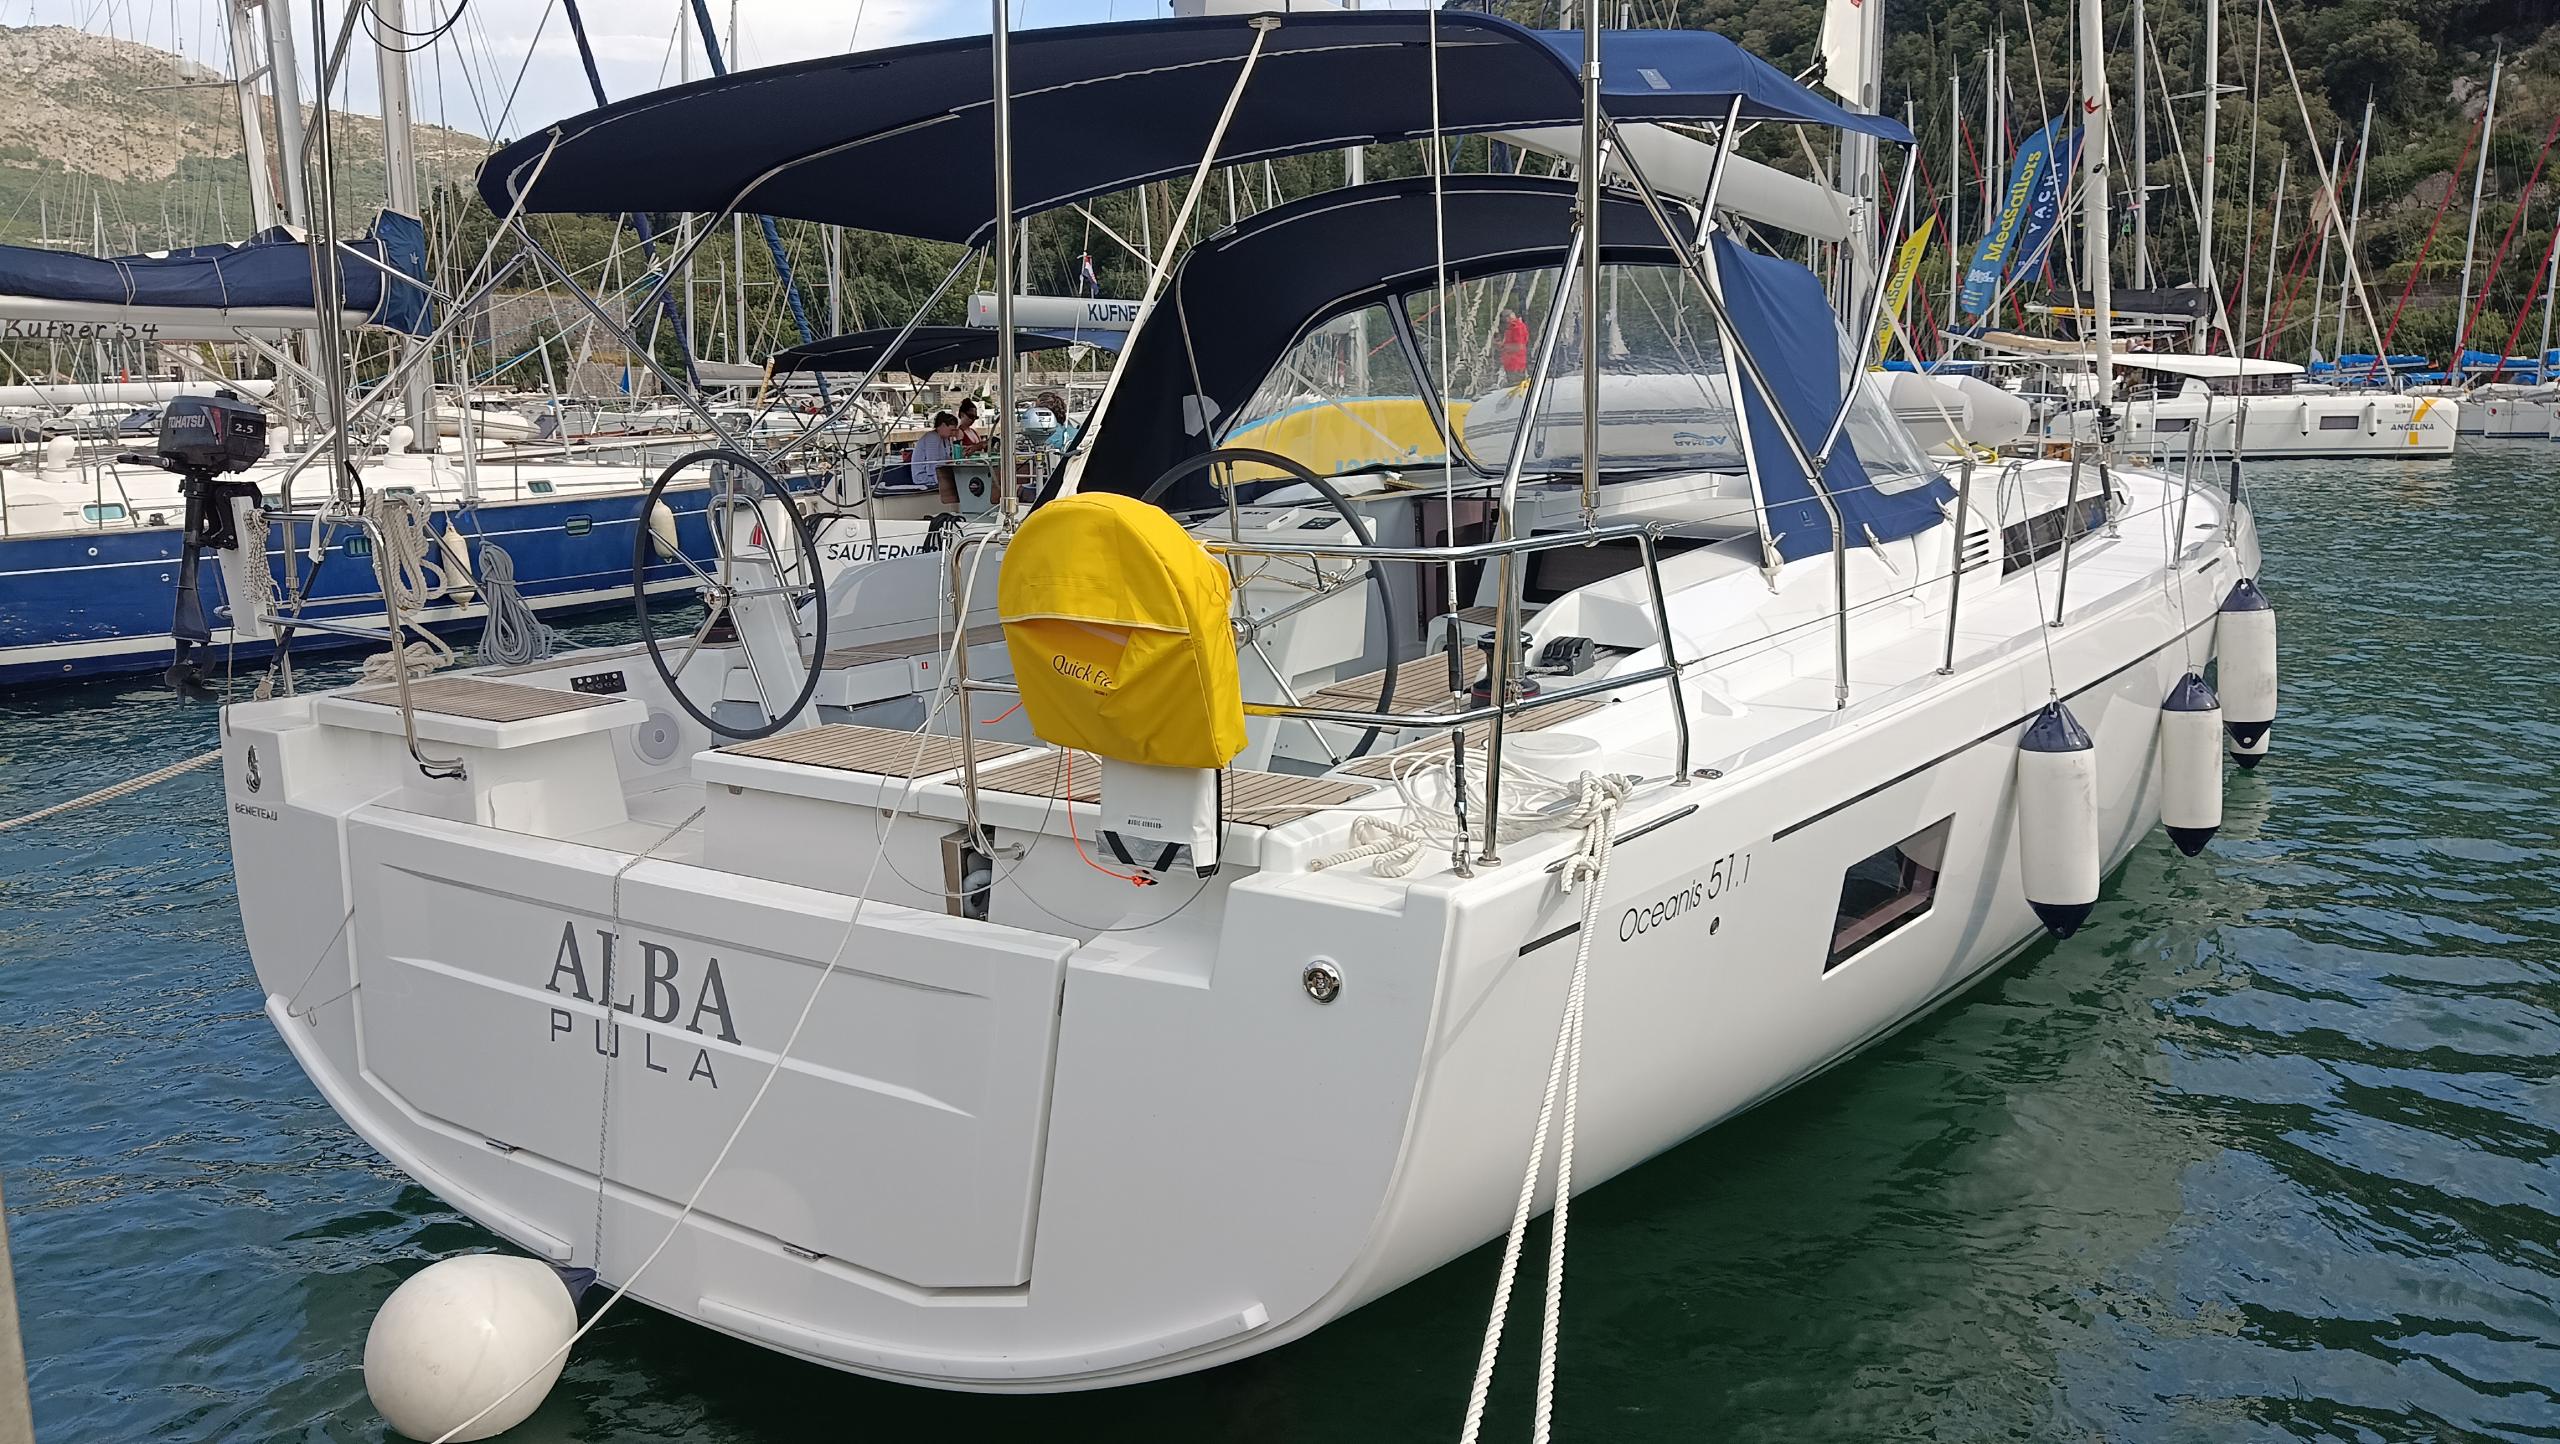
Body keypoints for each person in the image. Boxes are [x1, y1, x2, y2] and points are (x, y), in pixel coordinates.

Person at [911, 411, 960, 503]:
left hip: (937, 473)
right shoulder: (932, 438)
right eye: (951, 430)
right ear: (943, 425)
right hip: (923, 476)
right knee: (959, 479)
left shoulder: (945, 439)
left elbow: (948, 459)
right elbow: (932, 468)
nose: (953, 433)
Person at [1499, 308, 1530, 380]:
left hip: (1516, 365)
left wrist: (1502, 346)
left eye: (1503, 319)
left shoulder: (1517, 327)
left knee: (1515, 383)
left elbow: (1519, 347)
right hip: (1512, 364)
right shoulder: (1512, 328)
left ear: (1507, 318)